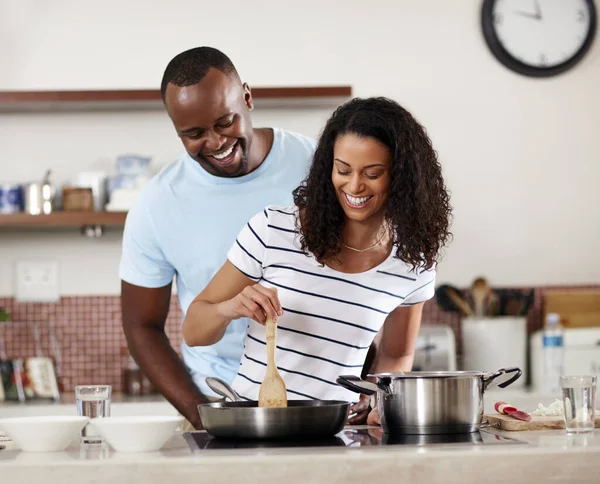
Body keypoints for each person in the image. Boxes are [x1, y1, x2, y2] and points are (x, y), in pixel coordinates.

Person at [182, 96, 453, 424]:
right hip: (255, 426)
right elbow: (194, 331)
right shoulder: (274, 230)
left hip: (338, 433)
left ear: (402, 178)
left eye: (373, 173)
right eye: (343, 170)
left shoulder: (413, 260)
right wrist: (231, 308)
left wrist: (380, 401)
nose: (354, 185)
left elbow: (397, 352)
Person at [119, 46, 317, 429]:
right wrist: (204, 416)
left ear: (247, 97)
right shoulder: (157, 204)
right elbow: (141, 327)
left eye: (225, 122)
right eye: (193, 134)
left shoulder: (319, 166)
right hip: (218, 394)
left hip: (321, 397)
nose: (214, 142)